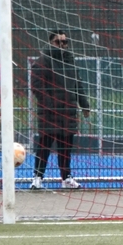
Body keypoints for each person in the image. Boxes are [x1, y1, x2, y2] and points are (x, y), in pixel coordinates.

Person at [30, 31, 90, 189]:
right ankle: (37, 177)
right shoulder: (42, 61)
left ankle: (66, 178)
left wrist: (84, 105)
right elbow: (37, 86)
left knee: (65, 148)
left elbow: (78, 85)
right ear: (51, 43)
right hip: (49, 113)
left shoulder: (70, 61)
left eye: (65, 42)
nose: (62, 45)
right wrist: (50, 105)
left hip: (68, 111)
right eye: (58, 42)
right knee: (44, 146)